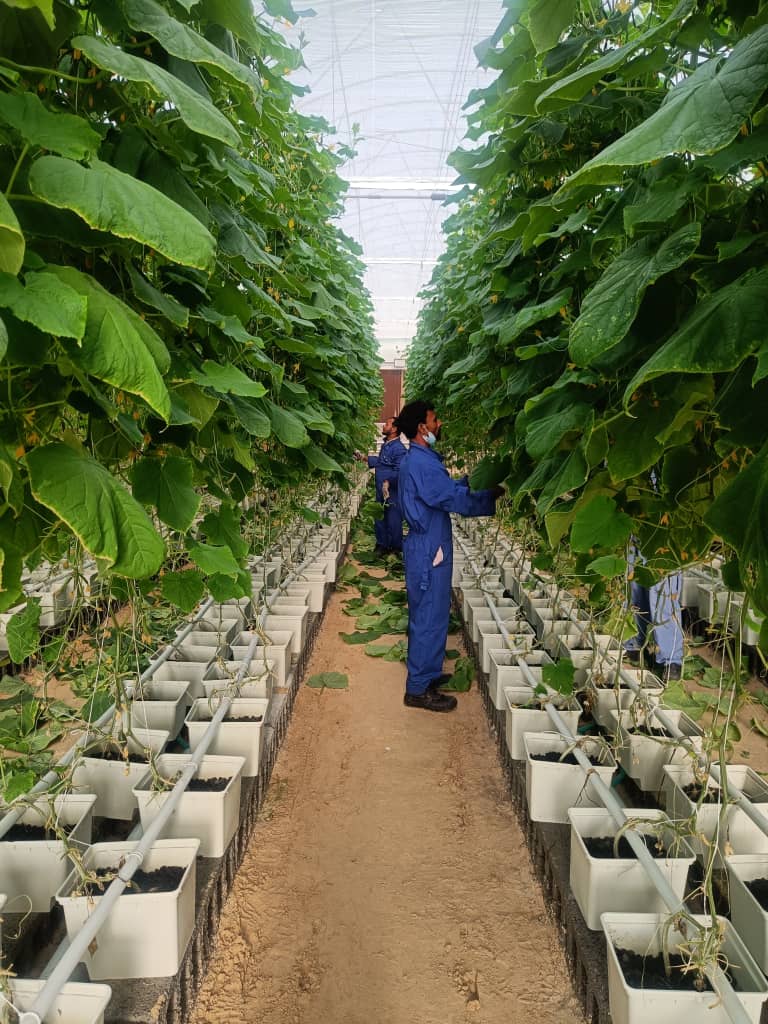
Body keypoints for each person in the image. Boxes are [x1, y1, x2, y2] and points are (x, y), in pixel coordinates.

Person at [397, 400, 504, 712]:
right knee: (429, 617)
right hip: (429, 547)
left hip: (427, 544)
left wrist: (472, 482)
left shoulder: (420, 459)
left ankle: (427, 675)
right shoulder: (421, 464)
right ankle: (417, 689)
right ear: (422, 428)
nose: (439, 424)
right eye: (434, 420)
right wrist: (489, 494)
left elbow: (446, 489)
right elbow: (451, 498)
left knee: (432, 613)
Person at [624, 544, 683, 680]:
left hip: (664, 536)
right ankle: (635, 644)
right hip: (634, 531)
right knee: (634, 592)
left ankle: (672, 659)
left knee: (663, 597)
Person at [366, 417, 407, 555]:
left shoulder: (399, 449)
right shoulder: (387, 444)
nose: (384, 426)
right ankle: (382, 544)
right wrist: (365, 458)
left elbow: (400, 470)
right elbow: (382, 463)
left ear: (394, 429)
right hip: (380, 488)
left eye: (387, 424)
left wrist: (388, 481)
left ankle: (396, 547)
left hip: (391, 489)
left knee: (393, 517)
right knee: (380, 514)